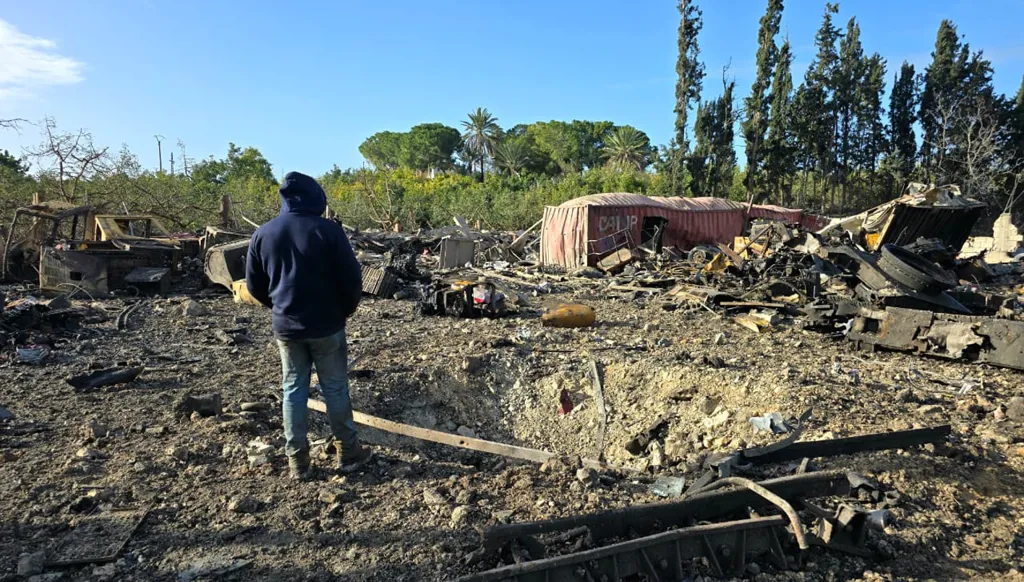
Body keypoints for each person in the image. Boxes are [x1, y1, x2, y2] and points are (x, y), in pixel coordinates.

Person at [245, 171, 371, 479]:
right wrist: (346, 310)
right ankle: (348, 452)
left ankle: (297, 462)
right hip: (327, 325)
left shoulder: (263, 234)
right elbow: (352, 279)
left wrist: (279, 308)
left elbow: (254, 285)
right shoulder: (328, 231)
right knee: (335, 388)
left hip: (287, 328)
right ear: (317, 198)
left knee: (293, 390)